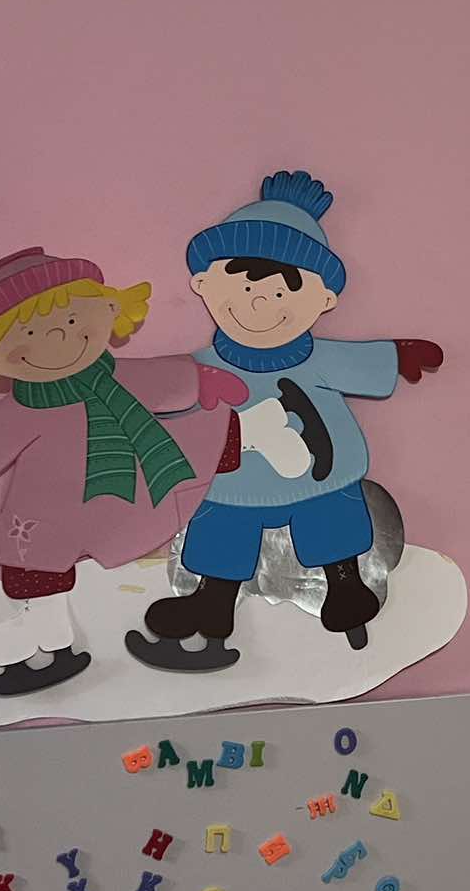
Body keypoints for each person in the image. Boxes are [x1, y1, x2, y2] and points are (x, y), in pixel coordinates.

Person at [0, 247, 306, 696]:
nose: (59, 337)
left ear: (108, 310)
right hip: (55, 505)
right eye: (32, 332)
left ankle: (257, 431)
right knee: (34, 553)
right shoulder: (24, 409)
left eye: (71, 320)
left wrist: (203, 380)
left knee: (194, 433)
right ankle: (50, 638)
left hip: (125, 489)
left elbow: (163, 381)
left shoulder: (117, 377)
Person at [128, 171, 441, 670]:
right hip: (235, 481)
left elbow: (360, 362)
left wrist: (399, 355)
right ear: (203, 283)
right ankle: (212, 601)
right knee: (221, 527)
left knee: (331, 516)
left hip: (320, 472)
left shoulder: (318, 357)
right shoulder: (202, 368)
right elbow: (161, 386)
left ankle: (345, 585)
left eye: (283, 291)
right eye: (245, 283)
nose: (260, 301)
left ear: (324, 300)